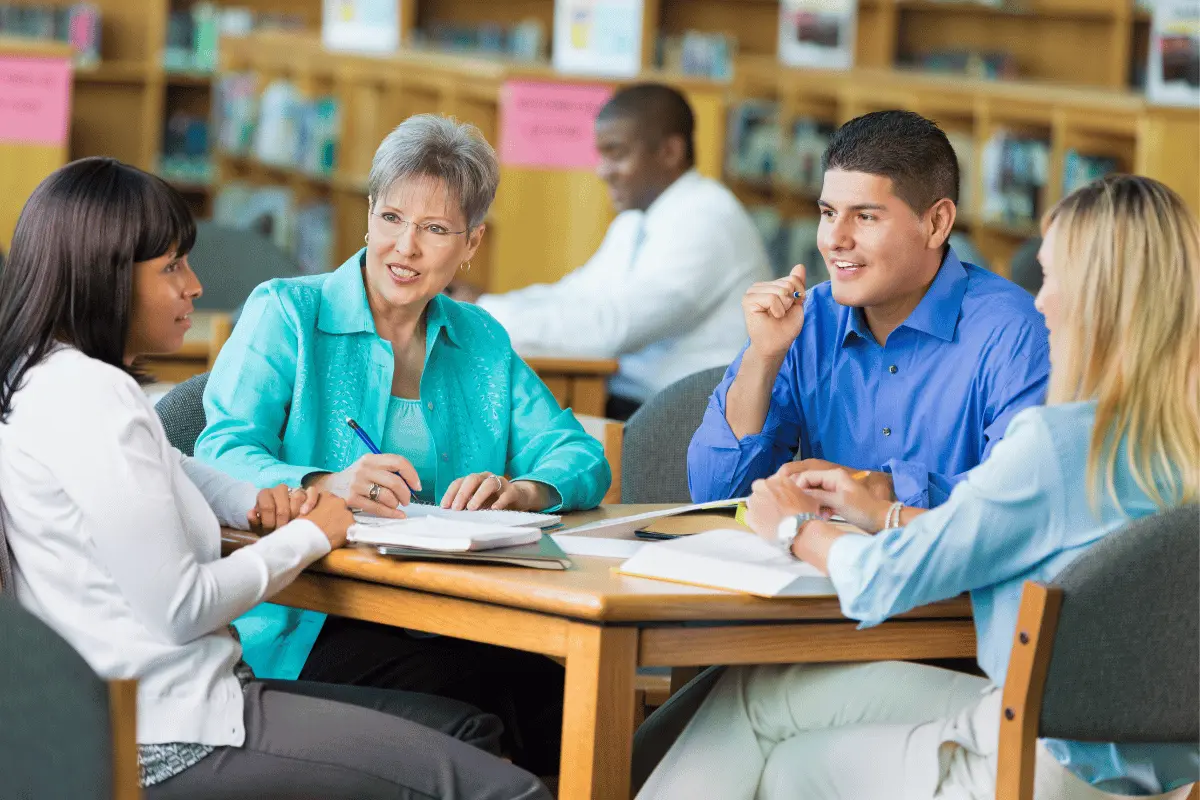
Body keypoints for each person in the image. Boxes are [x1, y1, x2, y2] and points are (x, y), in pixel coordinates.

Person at [0, 157, 550, 800]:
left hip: (145, 710)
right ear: (106, 279)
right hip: (175, 734)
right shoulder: (97, 401)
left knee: (467, 725)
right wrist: (315, 531)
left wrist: (255, 498)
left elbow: (172, 467)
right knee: (507, 792)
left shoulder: (48, 382)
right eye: (172, 267)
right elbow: (183, 609)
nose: (196, 286)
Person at [639, 174, 1200, 799]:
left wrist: (798, 529)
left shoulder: (1061, 443)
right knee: (756, 692)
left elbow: (885, 580)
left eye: (1052, 279)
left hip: (1044, 759)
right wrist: (883, 513)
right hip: (1161, 771)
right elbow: (1012, 532)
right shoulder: (1173, 442)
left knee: (783, 762)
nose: (1040, 303)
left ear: (1098, 299)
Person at [195, 114, 609, 776]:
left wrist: (524, 488)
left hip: (456, 615)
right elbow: (218, 452)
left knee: (562, 700)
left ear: (471, 243)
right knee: (489, 697)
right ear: (366, 215)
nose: (405, 248)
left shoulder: (481, 340)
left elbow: (581, 456)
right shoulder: (287, 313)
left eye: (436, 229)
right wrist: (323, 483)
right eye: (391, 218)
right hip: (308, 619)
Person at [688, 110, 1051, 509]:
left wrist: (872, 490)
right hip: (810, 561)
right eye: (828, 214)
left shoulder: (1017, 334)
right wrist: (763, 357)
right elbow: (715, 496)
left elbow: (1019, 503)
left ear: (936, 223)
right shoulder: (805, 321)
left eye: (865, 216)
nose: (834, 240)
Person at [449, 83, 772, 420]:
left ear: (670, 152)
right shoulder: (636, 220)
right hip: (641, 405)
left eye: (616, 153)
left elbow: (612, 329)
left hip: (687, 424)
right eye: (601, 155)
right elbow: (577, 294)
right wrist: (487, 306)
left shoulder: (708, 220)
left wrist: (483, 313)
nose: (602, 170)